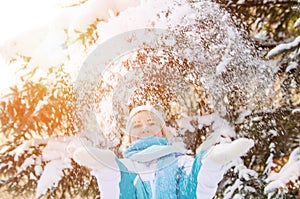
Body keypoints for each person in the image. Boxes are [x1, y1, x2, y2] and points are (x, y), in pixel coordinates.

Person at [73, 105, 254, 199]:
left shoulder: (178, 162)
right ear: (129, 137)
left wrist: (212, 160)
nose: (145, 128)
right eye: (136, 125)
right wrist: (106, 165)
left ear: (162, 131)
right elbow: (118, 192)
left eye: (152, 123)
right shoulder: (127, 168)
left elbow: (195, 190)